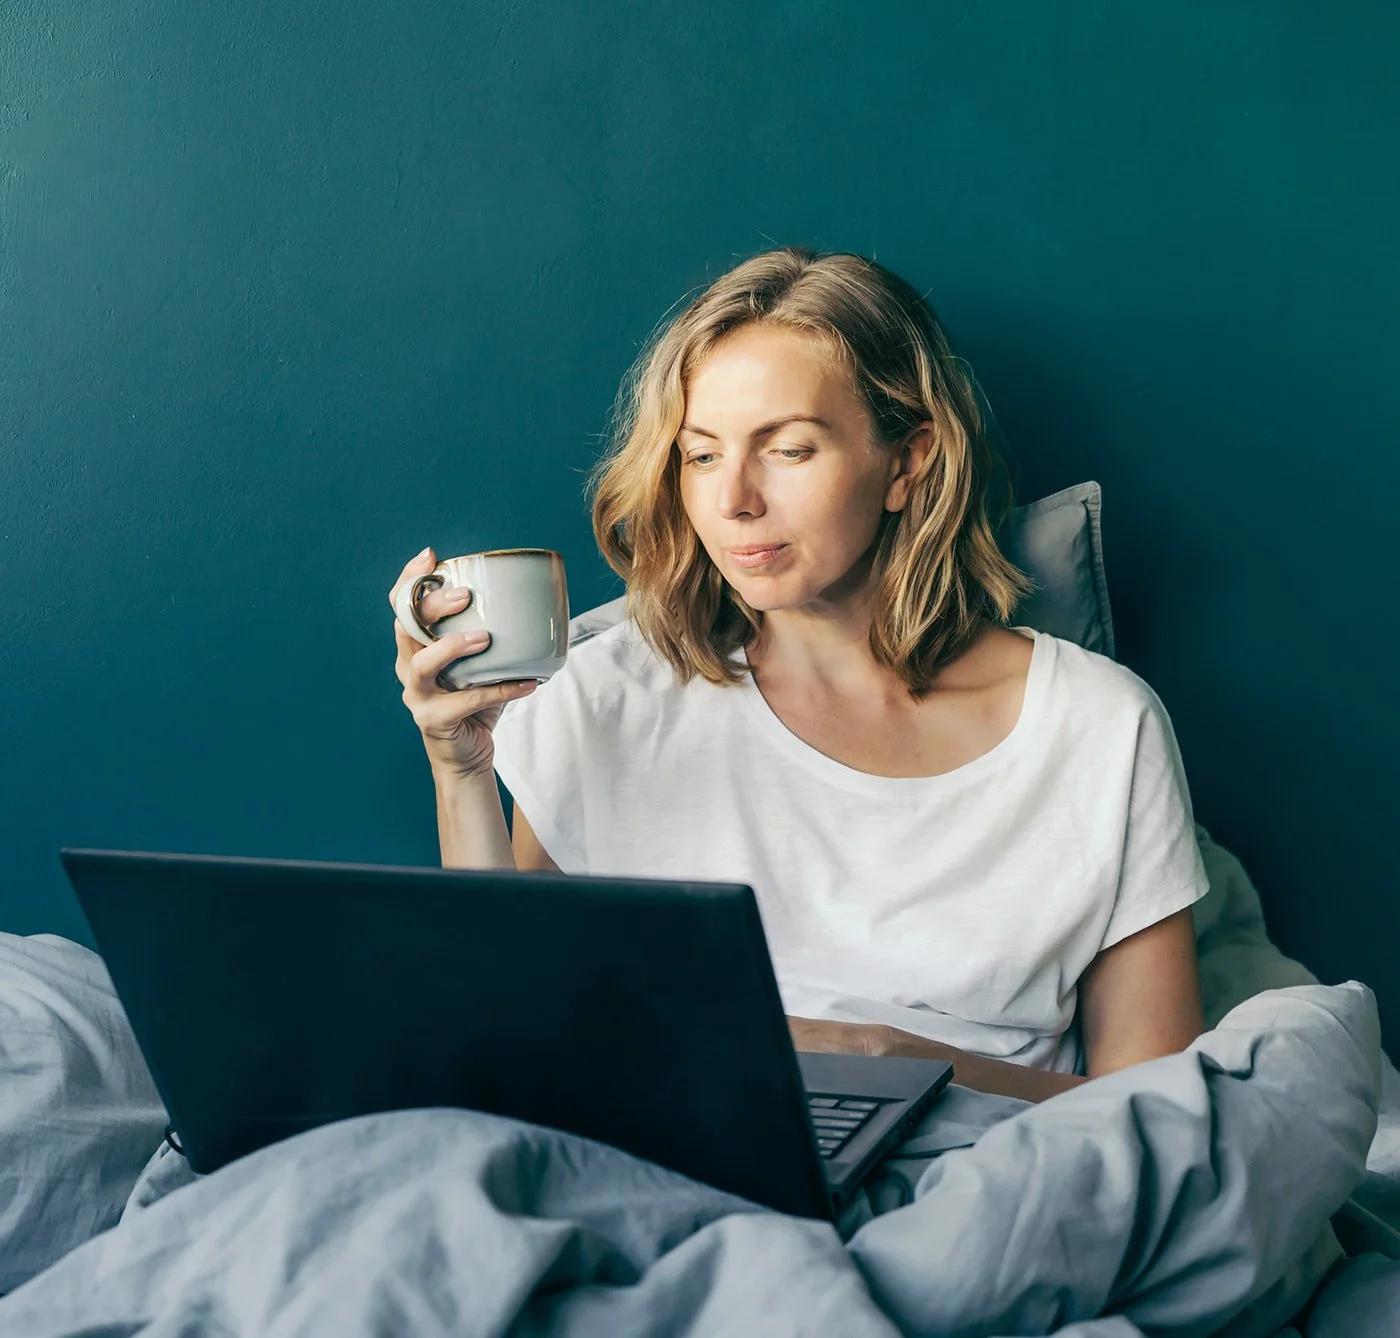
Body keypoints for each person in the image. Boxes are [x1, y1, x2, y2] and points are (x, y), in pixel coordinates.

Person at [389, 246, 1208, 1105]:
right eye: (701, 456)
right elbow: (508, 1027)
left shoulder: (1098, 725)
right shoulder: (605, 698)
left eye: (787, 450)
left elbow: (1159, 1112)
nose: (735, 501)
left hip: (982, 1160)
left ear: (907, 463)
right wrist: (461, 768)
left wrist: (892, 1062)